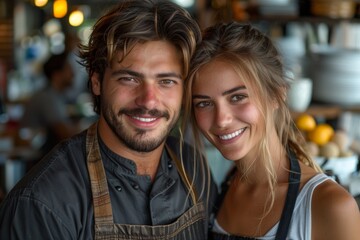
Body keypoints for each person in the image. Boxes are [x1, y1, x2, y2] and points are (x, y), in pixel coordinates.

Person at [0, 0, 217, 239]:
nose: (148, 101)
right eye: (129, 79)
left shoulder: (194, 169)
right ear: (96, 81)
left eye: (166, 81)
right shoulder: (43, 203)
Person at [183, 22, 360, 240]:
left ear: (277, 95)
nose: (221, 120)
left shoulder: (329, 205)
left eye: (237, 97)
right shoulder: (218, 189)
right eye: (204, 103)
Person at [20, 52, 79, 158]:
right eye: (68, 69)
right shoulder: (48, 97)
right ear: (57, 75)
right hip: (35, 161)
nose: (73, 74)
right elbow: (65, 134)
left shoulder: (54, 95)